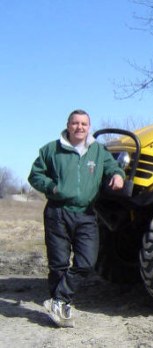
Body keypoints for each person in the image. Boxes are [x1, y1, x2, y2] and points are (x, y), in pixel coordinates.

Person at [28, 109, 125, 328]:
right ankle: (63, 306)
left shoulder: (99, 151)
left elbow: (113, 167)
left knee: (87, 262)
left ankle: (58, 299)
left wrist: (118, 175)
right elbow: (35, 175)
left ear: (88, 127)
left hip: (86, 213)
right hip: (57, 212)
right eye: (75, 123)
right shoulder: (51, 150)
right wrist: (53, 187)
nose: (79, 127)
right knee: (59, 264)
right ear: (68, 125)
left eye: (84, 124)